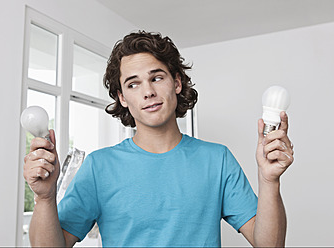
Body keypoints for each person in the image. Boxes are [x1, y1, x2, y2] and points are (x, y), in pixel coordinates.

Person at [24, 31, 294, 247]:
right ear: (122, 98)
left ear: (176, 83)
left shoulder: (217, 159)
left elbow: (270, 244)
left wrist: (269, 181)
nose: (148, 92)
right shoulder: (99, 167)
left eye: (157, 77)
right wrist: (45, 198)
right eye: (133, 84)